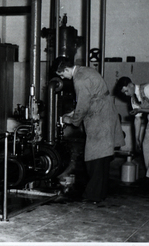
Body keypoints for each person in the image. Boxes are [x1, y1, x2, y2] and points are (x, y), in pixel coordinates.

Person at [56, 57, 125, 203]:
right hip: (104, 113)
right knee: (102, 156)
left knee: (95, 158)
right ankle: (99, 193)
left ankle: (93, 195)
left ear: (67, 69)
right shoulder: (84, 70)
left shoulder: (79, 79)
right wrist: (73, 112)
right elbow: (89, 98)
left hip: (100, 117)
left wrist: (71, 120)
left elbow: (82, 105)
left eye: (62, 74)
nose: (63, 78)